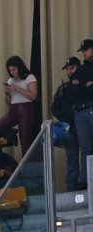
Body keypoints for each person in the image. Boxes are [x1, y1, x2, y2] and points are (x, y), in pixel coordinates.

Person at [0, 56, 39, 155]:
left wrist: (18, 89)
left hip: (26, 109)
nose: (12, 73)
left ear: (20, 67)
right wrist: (7, 93)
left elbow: (33, 96)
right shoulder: (10, 80)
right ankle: (0, 158)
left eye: (14, 69)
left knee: (25, 141)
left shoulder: (29, 77)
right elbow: (8, 102)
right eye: (10, 70)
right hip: (13, 109)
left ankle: (25, 168)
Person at [53, 57, 84, 192]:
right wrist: (66, 120)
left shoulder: (86, 85)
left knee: (88, 156)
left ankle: (86, 184)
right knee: (72, 159)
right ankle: (72, 190)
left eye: (72, 68)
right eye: (68, 69)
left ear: (79, 68)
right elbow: (54, 108)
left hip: (85, 126)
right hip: (71, 128)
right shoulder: (63, 88)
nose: (70, 71)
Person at [70, 39, 93, 183]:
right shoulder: (81, 70)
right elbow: (72, 90)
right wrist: (87, 85)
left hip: (90, 107)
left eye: (86, 49)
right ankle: (85, 182)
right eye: (82, 50)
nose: (84, 53)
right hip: (80, 112)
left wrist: (82, 86)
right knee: (85, 149)